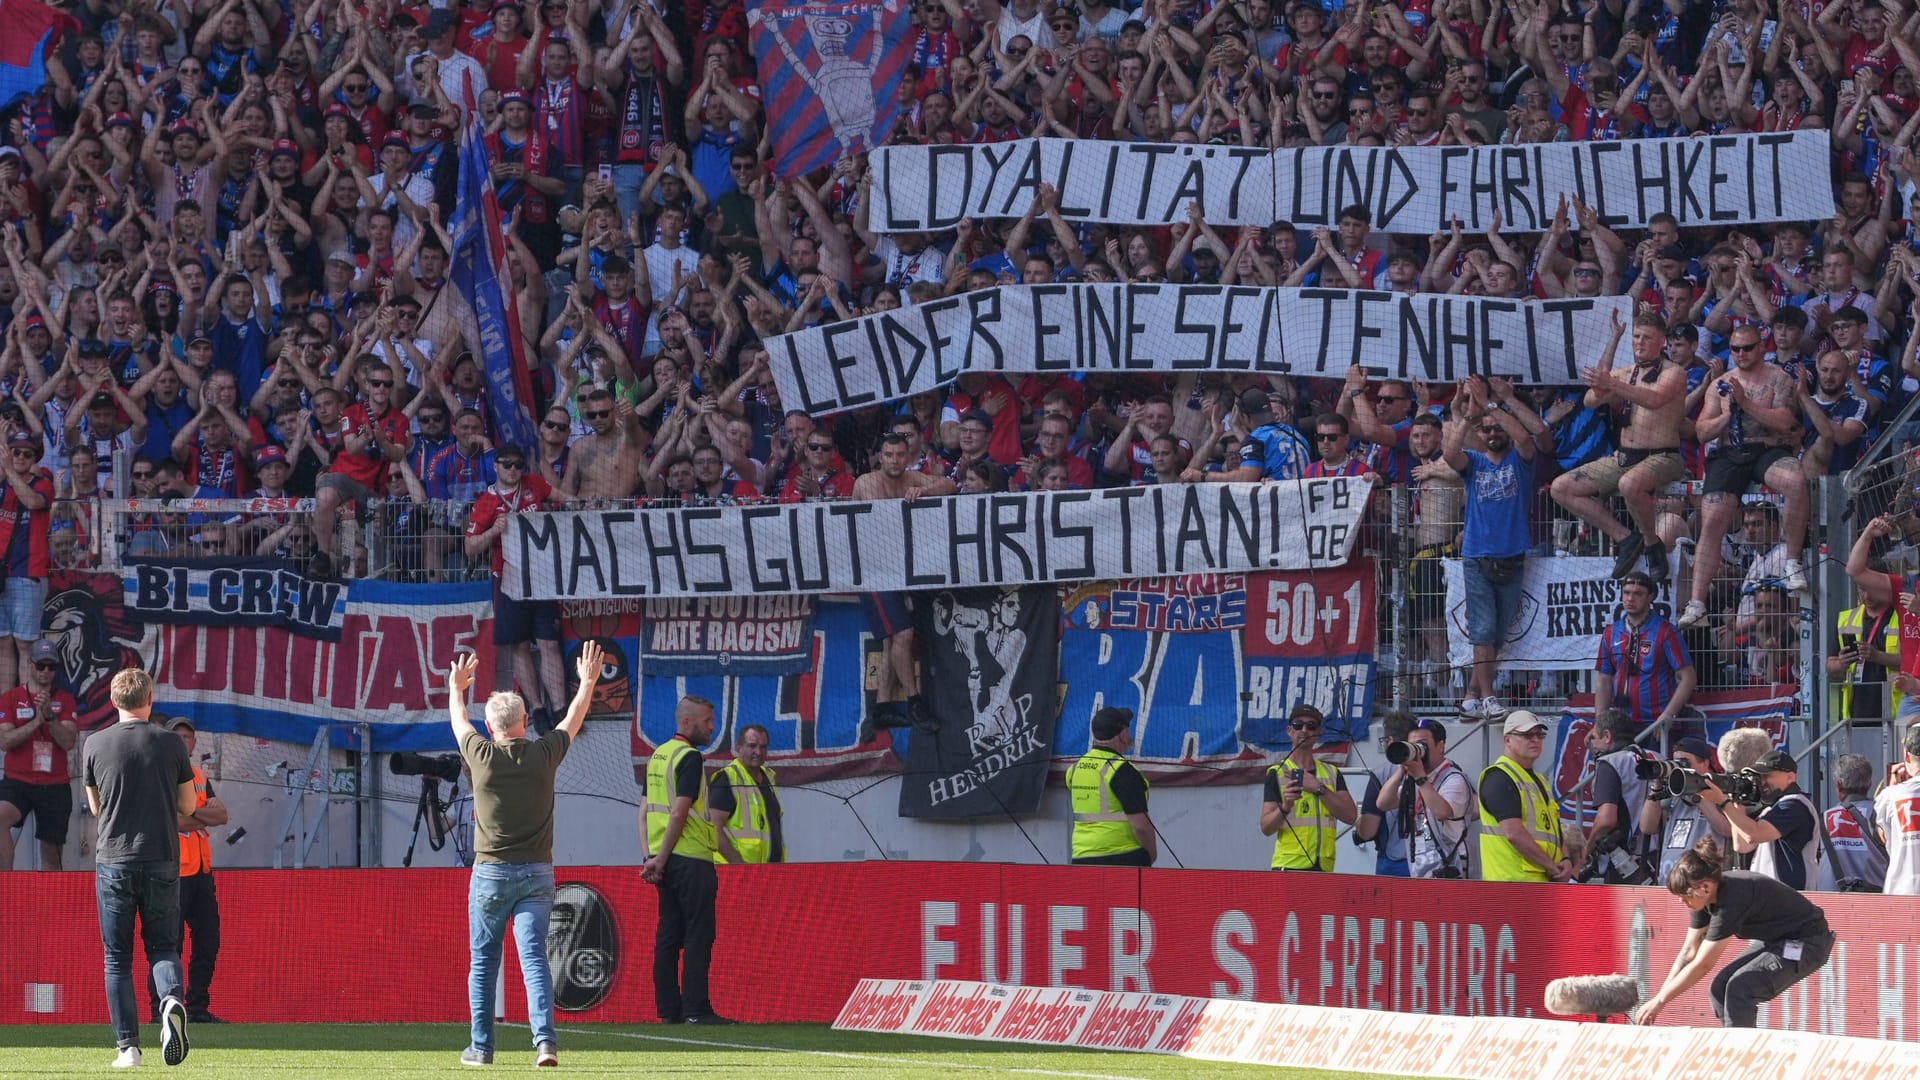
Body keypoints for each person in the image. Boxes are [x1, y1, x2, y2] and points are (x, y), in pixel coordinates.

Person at [448, 639, 604, 1068]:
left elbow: (459, 721)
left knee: (484, 964)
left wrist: (455, 688)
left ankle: (481, 1049)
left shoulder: (480, 755)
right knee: (534, 960)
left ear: (491, 727)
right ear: (522, 722)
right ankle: (545, 1044)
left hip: (492, 875)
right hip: (537, 874)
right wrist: (587, 682)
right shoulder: (542, 753)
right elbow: (572, 718)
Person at [82, 668, 196, 1068]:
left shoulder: (94, 744)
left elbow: (96, 807)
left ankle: (128, 1048)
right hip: (162, 855)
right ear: (150, 699)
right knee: (163, 946)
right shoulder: (171, 744)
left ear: (113, 701)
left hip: (113, 859)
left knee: (117, 957)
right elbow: (189, 806)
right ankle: (171, 1001)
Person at [1636, 838, 1834, 1028]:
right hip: (1779, 939)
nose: (1681, 902)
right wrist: (1659, 997)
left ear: (1705, 887)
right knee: (1720, 988)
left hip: (1807, 943)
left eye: (1684, 896)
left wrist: (1661, 1001)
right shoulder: (1702, 899)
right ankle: (1734, 1042)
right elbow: (1689, 952)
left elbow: (1703, 964)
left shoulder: (1732, 899)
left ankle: (1742, 1051)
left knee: (1741, 988)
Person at [1440, 378, 1548, 718]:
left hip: (1513, 556)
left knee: (1498, 635)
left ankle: (1471, 696)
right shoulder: (1474, 461)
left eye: (1495, 427)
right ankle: (1488, 696)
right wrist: (1469, 418)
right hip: (1476, 555)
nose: (1492, 433)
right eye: (1486, 430)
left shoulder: (1520, 461)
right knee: (1483, 630)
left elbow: (1525, 438)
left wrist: (1492, 406)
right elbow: (1449, 454)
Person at [642, 694, 735, 1026]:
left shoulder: (658, 756)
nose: (713, 727)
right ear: (686, 722)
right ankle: (697, 1009)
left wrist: (651, 858)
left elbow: (643, 813)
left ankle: (669, 1010)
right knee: (698, 934)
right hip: (691, 857)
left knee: (669, 934)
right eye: (708, 721)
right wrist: (663, 857)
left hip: (662, 859)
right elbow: (681, 811)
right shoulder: (690, 757)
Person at [166, 717, 227, 1024]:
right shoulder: (161, 773)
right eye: (177, 736)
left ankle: (197, 1007)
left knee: (208, 940)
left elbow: (223, 815)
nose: (183, 741)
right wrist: (204, 816)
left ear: (194, 743)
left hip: (202, 872)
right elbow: (173, 821)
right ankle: (163, 1008)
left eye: (188, 737)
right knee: (169, 944)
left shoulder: (201, 775)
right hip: (173, 872)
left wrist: (192, 814)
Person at [0, 639, 78, 870]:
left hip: (54, 783)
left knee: (51, 854)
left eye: (51, 666)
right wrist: (36, 721)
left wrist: (50, 716)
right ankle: (4, 885)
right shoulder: (11, 698)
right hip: (18, 780)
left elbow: (68, 742)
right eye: (41, 665)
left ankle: (51, 902)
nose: (45, 671)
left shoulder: (64, 699)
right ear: (30, 664)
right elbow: (5, 741)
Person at [1477, 710, 1575, 883]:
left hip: (1537, 881)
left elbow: (1554, 828)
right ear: (1507, 739)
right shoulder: (1499, 777)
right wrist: (1552, 866)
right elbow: (1514, 833)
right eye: (1527, 735)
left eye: (1539, 734)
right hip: (1511, 883)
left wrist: (1565, 859)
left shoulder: (1539, 780)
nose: (1536, 739)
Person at [1258, 704, 1356, 872]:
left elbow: (1350, 816)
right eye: (1298, 725)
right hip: (1289, 866)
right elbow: (1266, 828)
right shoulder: (1277, 773)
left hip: (1323, 867)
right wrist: (1286, 807)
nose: (1304, 730)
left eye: (1311, 726)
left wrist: (1319, 788)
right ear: (1290, 730)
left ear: (1318, 733)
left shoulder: (1331, 772)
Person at [1593, 572, 1696, 731]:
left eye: (1637, 594)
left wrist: (1668, 715)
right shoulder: (1610, 632)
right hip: (1620, 724)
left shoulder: (1666, 632)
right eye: (1626, 593)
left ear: (1650, 597)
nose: (1630, 598)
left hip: (1655, 724)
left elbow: (1688, 677)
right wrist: (1600, 722)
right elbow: (1604, 680)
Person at [1374, 717, 1473, 879]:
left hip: (1452, 870)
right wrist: (1401, 770)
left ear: (1440, 746)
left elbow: (1442, 812)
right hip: (1421, 869)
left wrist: (1420, 777)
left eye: (1422, 745)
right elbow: (1382, 803)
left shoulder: (1454, 778)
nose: (1418, 751)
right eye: (1413, 745)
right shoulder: (1413, 780)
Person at [1707, 750, 1818, 890]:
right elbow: (1741, 845)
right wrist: (1737, 802)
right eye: (1760, 777)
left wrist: (1722, 802)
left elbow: (1752, 835)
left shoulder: (1795, 804)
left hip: (1793, 899)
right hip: (1772, 898)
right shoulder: (1772, 809)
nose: (1762, 782)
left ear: (1790, 777)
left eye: (1768, 775)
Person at [1064, 706, 1155, 867]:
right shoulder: (1123, 770)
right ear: (1122, 734)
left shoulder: (1075, 768)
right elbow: (1140, 826)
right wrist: (1151, 855)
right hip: (1124, 857)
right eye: (1128, 729)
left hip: (1081, 857)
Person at [1641, 737, 1734, 886]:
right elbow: (1647, 827)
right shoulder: (1672, 795)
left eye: (1685, 763)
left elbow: (1727, 830)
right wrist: (1657, 784)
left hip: (1703, 885)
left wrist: (1697, 791)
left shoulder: (1719, 792)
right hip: (1669, 882)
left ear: (1705, 763)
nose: (1680, 768)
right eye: (1675, 763)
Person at [1583, 708, 1654, 883]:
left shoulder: (1611, 762)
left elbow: (1606, 819)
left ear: (1607, 736)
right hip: (1661, 856)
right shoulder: (1657, 758)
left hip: (1626, 862)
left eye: (1594, 738)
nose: (1592, 746)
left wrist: (1587, 848)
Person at [707, 722, 785, 865]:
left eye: (763, 747)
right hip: (734, 873)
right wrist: (739, 865)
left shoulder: (768, 778)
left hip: (769, 872)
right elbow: (713, 827)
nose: (758, 752)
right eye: (752, 746)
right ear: (739, 748)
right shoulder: (727, 778)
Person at [1815, 753, 1887, 892]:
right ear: (1869, 784)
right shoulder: (1881, 815)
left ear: (1838, 785)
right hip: (1878, 902)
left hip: (1831, 903)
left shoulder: (1823, 819)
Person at [1355, 710, 1415, 877]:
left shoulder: (1381, 773)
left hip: (1393, 863)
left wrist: (1357, 821)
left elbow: (1368, 830)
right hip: (1431, 862)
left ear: (1389, 741)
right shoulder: (1440, 768)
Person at [1874, 725, 1920, 896]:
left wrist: (1894, 786)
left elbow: (1882, 837)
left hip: (1902, 893)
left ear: (1906, 757)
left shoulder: (1889, 797)